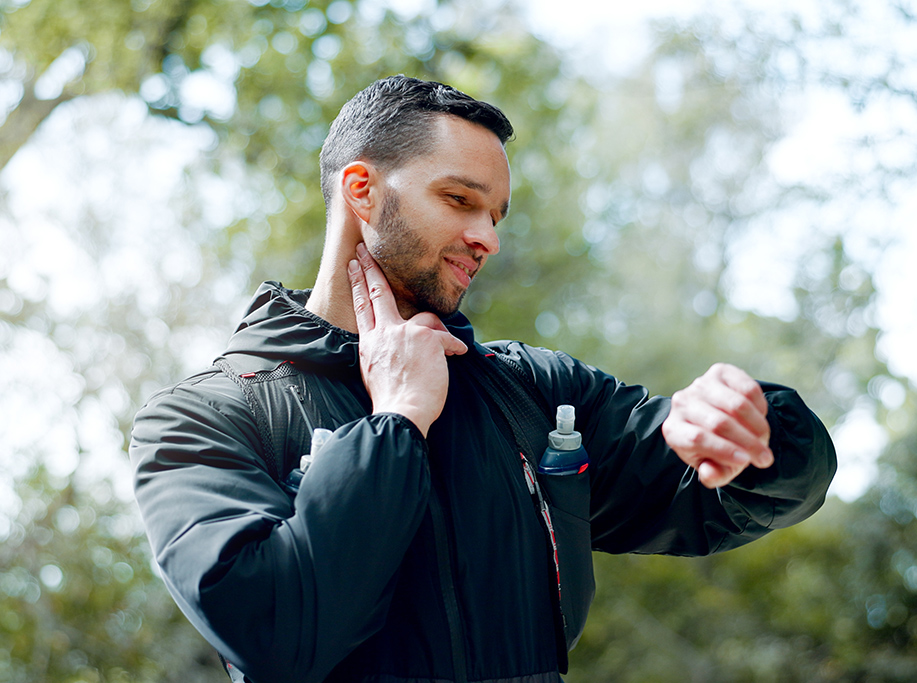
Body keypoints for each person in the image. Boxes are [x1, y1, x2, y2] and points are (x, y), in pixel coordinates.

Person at [130, 75, 836, 683]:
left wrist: (755, 427)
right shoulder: (201, 418)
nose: (489, 239)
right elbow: (279, 634)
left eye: (495, 215)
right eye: (461, 200)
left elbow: (720, 493)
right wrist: (398, 422)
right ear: (362, 189)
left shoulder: (531, 392)